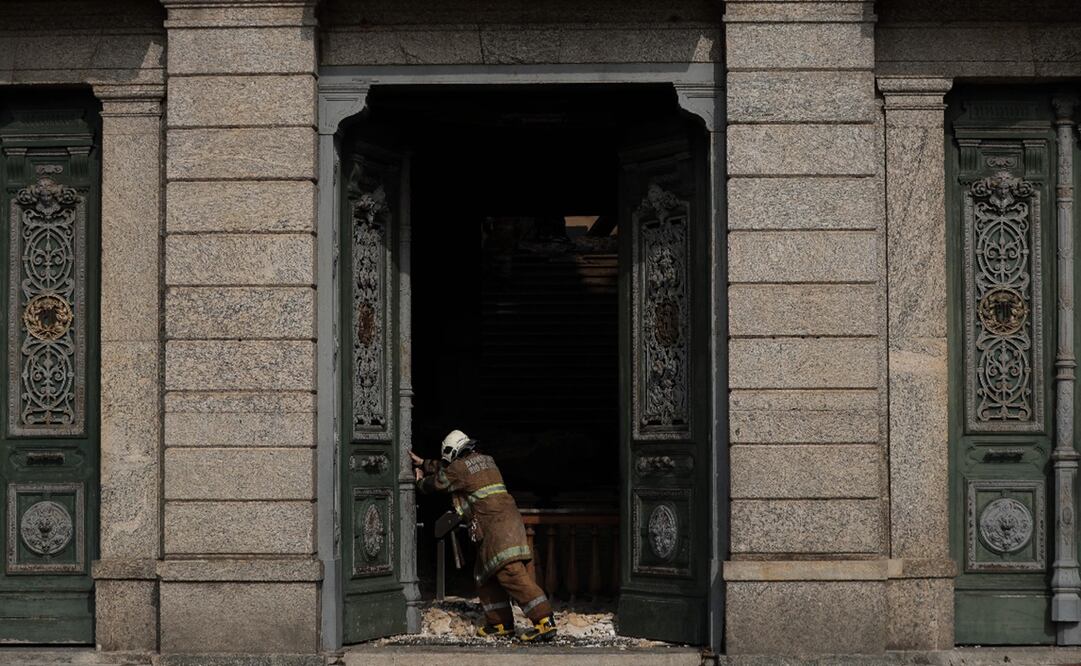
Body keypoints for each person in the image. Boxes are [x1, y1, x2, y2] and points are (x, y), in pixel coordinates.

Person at [411, 429, 557, 642]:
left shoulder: (459, 469)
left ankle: (544, 620)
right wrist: (424, 462)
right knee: (485, 576)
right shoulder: (486, 460)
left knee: (511, 573)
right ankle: (500, 624)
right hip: (503, 524)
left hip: (496, 529)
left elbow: (440, 481)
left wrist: (418, 481)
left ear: (453, 451)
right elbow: (451, 469)